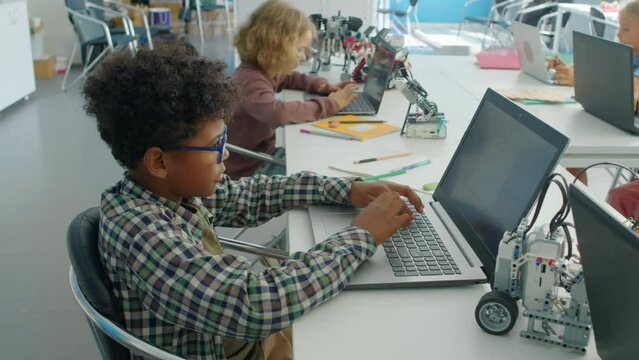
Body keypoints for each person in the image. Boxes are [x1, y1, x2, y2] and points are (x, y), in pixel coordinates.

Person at [83, 42, 423, 360]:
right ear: (159, 161)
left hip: (235, 338)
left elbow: (249, 195)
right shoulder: (142, 235)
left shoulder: (166, 193)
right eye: (216, 145)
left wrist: (345, 190)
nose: (226, 153)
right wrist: (360, 236)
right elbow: (253, 304)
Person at [226, 0, 359, 179]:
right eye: (299, 49)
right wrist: (332, 103)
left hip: (263, 155)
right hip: (250, 168)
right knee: (318, 175)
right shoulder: (249, 81)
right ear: (276, 48)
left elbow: (288, 77)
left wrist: (320, 86)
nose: (303, 57)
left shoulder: (261, 71)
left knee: (315, 157)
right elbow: (279, 113)